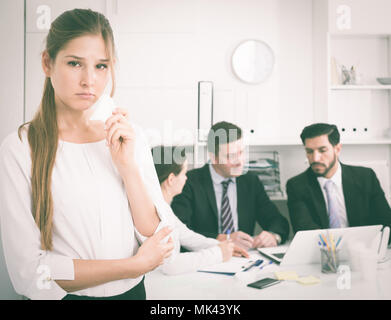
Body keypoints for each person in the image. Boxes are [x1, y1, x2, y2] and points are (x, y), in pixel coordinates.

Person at [0, 9, 174, 300]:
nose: (89, 80)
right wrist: (133, 266)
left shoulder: (130, 137)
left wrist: (128, 168)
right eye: (74, 63)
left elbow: (162, 242)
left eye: (101, 66)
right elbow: (30, 273)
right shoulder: (19, 148)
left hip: (133, 295)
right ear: (47, 62)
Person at [171, 121, 290, 250]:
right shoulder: (189, 182)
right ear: (213, 157)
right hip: (204, 260)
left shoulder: (250, 181)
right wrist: (222, 239)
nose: (240, 161)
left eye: (241, 153)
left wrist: (273, 236)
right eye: (231, 156)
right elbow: (180, 232)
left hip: (244, 260)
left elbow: (278, 221)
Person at [151, 146, 249, 275]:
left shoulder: (163, 208)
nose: (186, 178)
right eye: (184, 173)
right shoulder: (155, 213)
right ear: (171, 179)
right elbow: (170, 264)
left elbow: (189, 236)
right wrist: (219, 253)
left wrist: (224, 246)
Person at [286, 123, 391, 233]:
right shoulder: (297, 186)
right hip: (322, 249)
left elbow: (386, 224)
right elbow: (305, 231)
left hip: (363, 247)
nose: (315, 158)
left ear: (337, 149)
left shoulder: (366, 177)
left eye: (322, 150)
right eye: (309, 151)